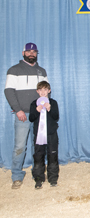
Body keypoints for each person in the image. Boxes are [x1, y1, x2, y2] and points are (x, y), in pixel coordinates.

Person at [4, 43, 48, 189]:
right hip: (22, 115)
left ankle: (39, 174)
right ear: (23, 53)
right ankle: (17, 176)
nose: (31, 54)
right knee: (20, 147)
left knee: (39, 146)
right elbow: (8, 91)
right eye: (28, 51)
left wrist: (45, 108)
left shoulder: (42, 71)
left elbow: (46, 92)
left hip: (39, 115)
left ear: (37, 54)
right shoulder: (14, 70)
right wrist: (18, 110)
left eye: (34, 51)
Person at [29, 81, 59, 189]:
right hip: (38, 135)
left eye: (45, 89)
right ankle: (38, 179)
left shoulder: (53, 103)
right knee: (38, 156)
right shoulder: (33, 104)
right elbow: (31, 118)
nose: (43, 92)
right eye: (40, 90)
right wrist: (36, 111)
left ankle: (53, 178)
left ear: (49, 91)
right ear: (37, 91)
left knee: (53, 155)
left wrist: (50, 109)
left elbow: (56, 117)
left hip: (51, 134)